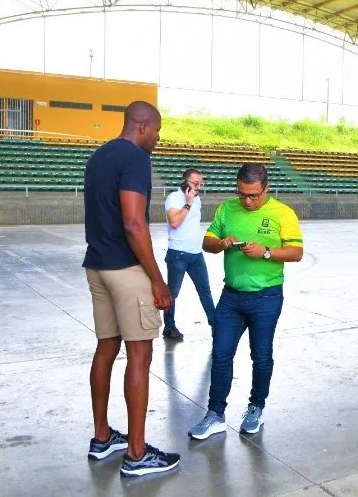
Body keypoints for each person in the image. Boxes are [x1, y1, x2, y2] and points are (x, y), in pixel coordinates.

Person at [83, 100, 180, 478]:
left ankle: (102, 437)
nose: (157, 138)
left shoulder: (99, 156)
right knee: (140, 355)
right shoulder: (136, 158)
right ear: (143, 127)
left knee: (106, 348)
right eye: (157, 131)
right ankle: (137, 454)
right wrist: (157, 278)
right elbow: (134, 224)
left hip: (97, 266)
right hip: (126, 269)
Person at [188, 163, 304, 440]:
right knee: (221, 354)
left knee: (260, 356)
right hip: (231, 297)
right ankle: (215, 414)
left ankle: (256, 408)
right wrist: (222, 243)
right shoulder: (227, 208)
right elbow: (207, 242)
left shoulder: (283, 213)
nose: (248, 201)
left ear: (266, 188)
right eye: (242, 194)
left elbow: (296, 252)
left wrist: (266, 252)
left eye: (254, 195)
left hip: (266, 297)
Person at [163, 168, 215, 340]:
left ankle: (216, 325)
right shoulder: (174, 197)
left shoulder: (197, 199)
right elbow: (174, 222)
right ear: (185, 182)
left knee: (205, 291)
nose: (198, 187)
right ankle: (169, 327)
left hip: (196, 254)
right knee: (172, 293)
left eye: (201, 183)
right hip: (178, 253)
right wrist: (188, 202)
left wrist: (192, 200)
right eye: (195, 183)